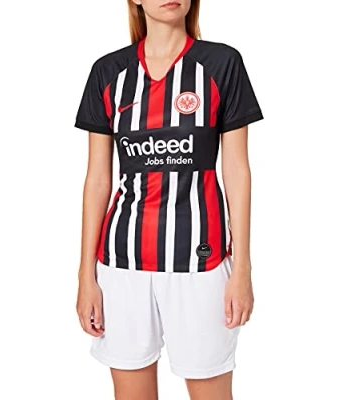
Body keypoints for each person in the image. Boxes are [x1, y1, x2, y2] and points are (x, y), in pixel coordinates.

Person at [74, 0, 264, 399]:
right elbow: (97, 180)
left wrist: (242, 269)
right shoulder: (108, 72)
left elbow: (237, 172)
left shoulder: (221, 64)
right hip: (122, 263)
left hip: (202, 262)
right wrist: (85, 276)